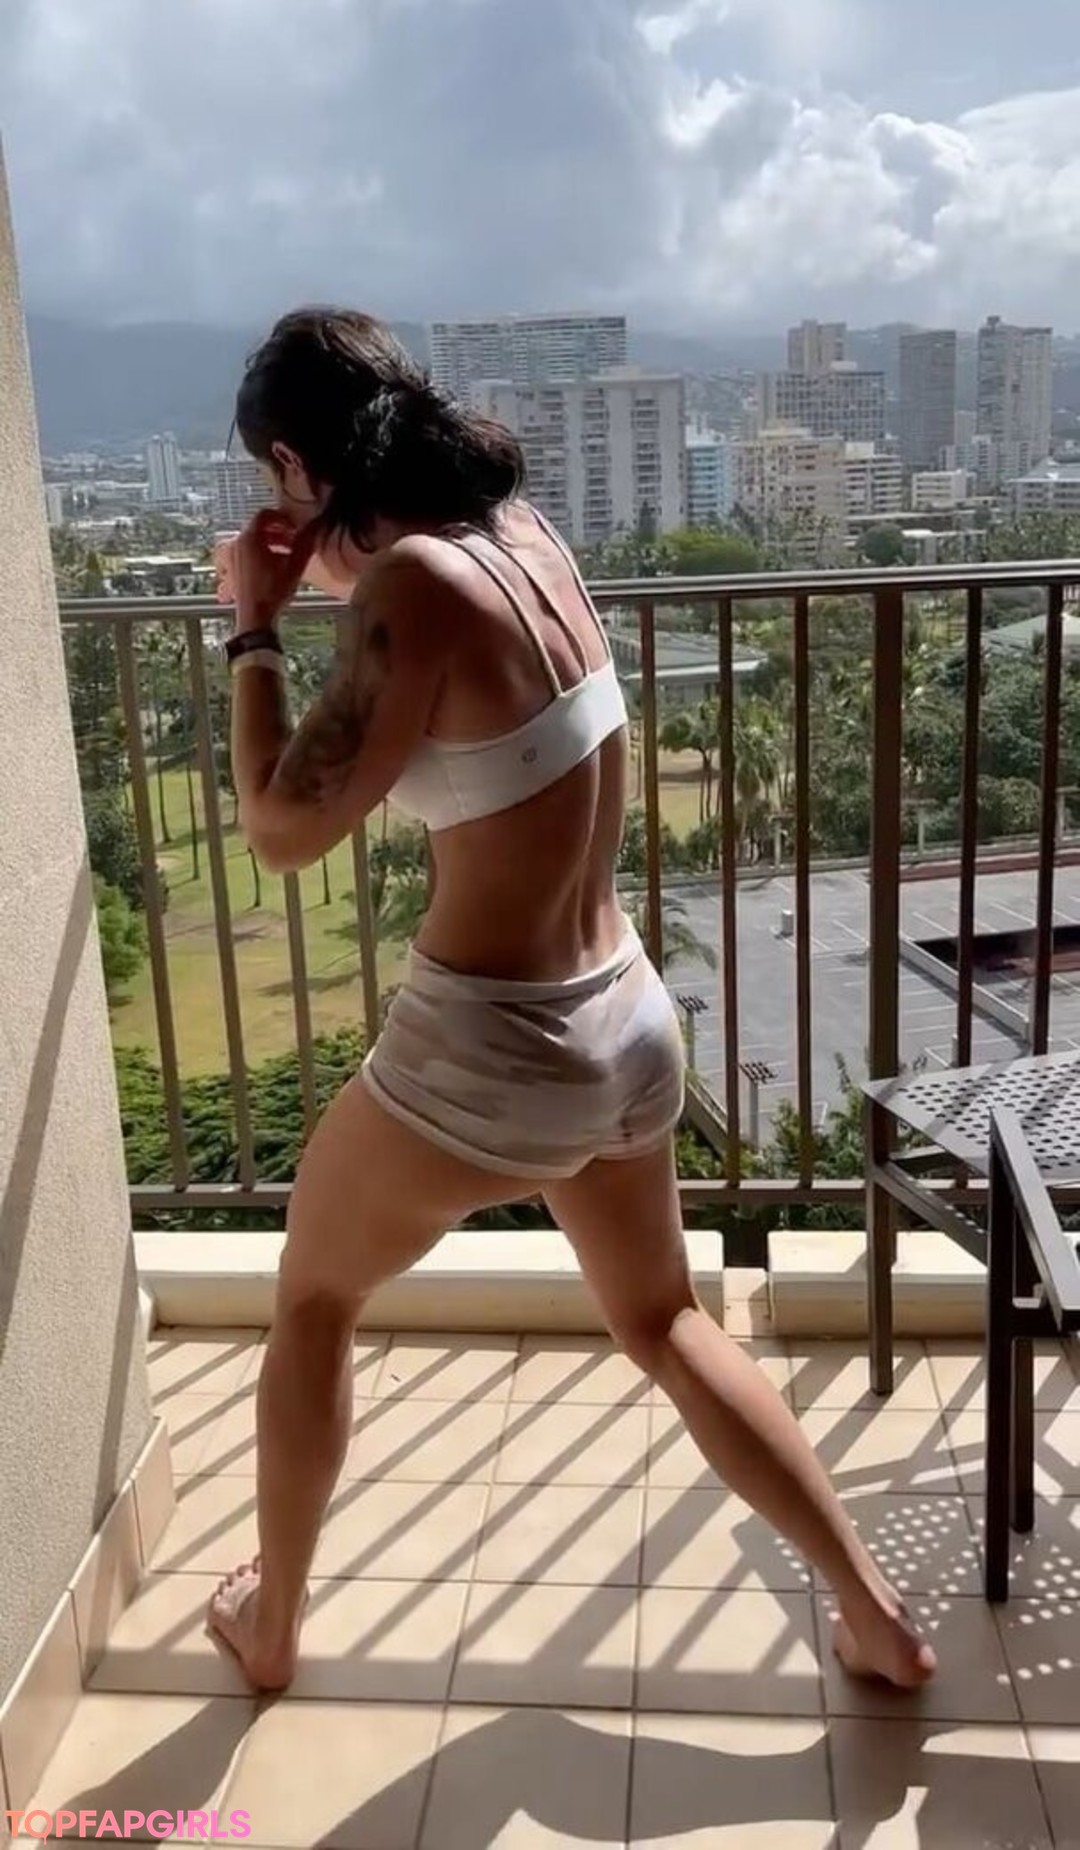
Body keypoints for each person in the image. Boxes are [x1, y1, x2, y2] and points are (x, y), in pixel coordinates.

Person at [208, 306, 936, 1695]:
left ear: (296, 465)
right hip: (628, 1023)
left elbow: (279, 829)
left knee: (312, 1297)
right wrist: (330, 570)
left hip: (491, 1051)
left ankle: (274, 1624)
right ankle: (873, 1611)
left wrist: (252, 629)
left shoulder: (414, 584)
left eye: (271, 479)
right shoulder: (524, 536)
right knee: (666, 1320)